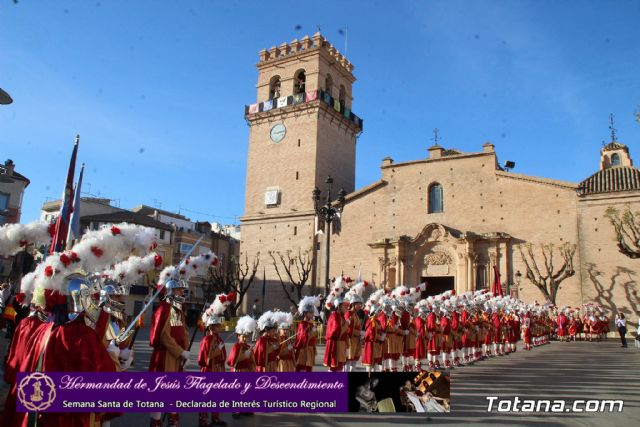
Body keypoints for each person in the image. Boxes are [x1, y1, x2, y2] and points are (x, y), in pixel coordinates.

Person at [148, 279, 191, 427]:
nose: (181, 292)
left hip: (177, 356)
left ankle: (173, 420)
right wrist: (181, 352)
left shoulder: (178, 309)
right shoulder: (165, 308)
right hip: (166, 356)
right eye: (179, 289)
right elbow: (164, 336)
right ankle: (156, 421)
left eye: (182, 290)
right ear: (171, 291)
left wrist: (185, 351)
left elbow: (183, 332)